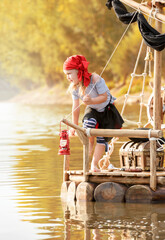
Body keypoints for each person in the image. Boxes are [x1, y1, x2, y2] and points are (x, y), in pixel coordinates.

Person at [63, 55, 124, 172]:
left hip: (107, 110)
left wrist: (91, 100)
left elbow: (104, 97)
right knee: (88, 126)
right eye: (66, 74)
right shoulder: (75, 88)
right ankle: (89, 145)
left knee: (101, 139)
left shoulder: (95, 79)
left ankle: (94, 164)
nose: (68, 77)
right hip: (92, 110)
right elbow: (76, 107)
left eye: (69, 73)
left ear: (78, 71)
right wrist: (74, 126)